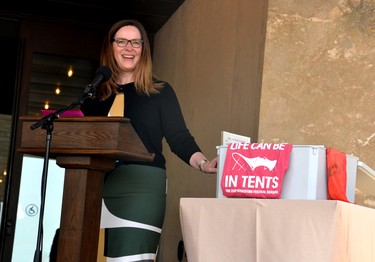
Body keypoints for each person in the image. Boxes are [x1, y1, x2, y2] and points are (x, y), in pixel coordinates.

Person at [80, 19, 217, 261]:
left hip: (141, 188)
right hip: (94, 185)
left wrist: (203, 164)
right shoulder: (94, 96)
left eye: (136, 42)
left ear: (143, 49)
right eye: (121, 41)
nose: (128, 48)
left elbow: (179, 138)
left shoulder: (160, 92)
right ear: (110, 47)